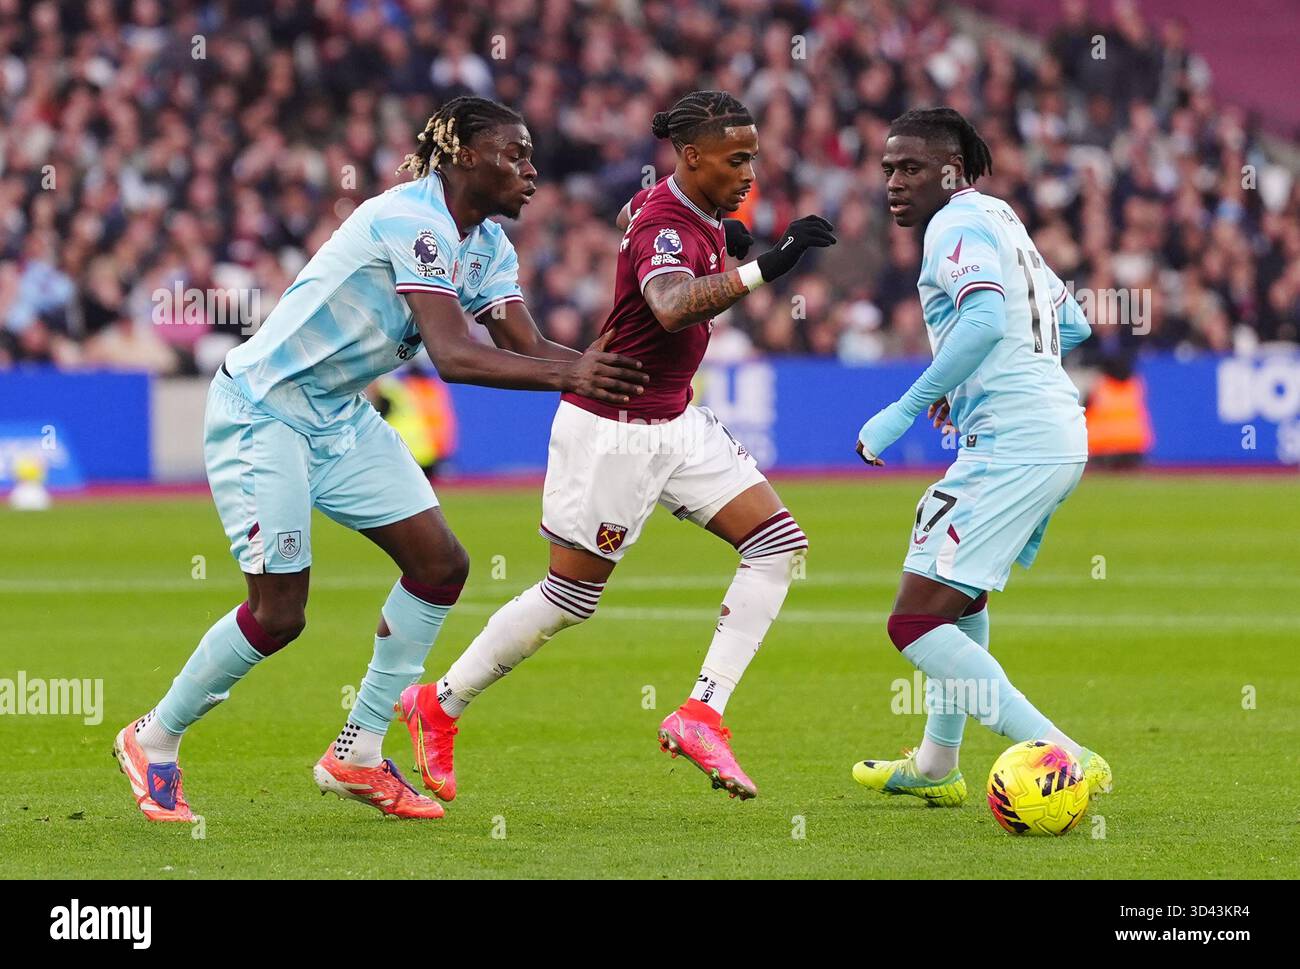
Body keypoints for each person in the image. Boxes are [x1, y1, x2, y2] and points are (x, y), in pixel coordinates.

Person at [113, 97, 648, 822]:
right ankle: (155, 736)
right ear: (463, 156)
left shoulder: (486, 242)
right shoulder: (413, 219)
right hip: (264, 412)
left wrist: (612, 376)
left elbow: (528, 346)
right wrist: (576, 376)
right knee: (278, 614)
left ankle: (357, 750)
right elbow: (455, 355)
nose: (531, 171)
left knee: (440, 565)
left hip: (336, 416)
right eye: (515, 155)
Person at [396, 90, 835, 801]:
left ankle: (701, 712)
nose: (751, 171)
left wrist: (724, 242)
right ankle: (437, 703)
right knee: (569, 598)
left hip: (675, 420)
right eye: (737, 158)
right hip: (613, 430)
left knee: (777, 544)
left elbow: (640, 223)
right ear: (691, 157)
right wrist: (764, 268)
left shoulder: (681, 211)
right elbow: (666, 302)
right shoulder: (666, 219)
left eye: (753, 155)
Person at [851, 107, 1112, 809]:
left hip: (1016, 437)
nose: (894, 183)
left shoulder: (954, 224)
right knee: (959, 594)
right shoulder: (1001, 218)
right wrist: (967, 384)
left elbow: (987, 317)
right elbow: (1072, 321)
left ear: (952, 171)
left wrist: (907, 406)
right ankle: (937, 762)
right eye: (887, 170)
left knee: (914, 621)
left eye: (910, 167)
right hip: (1049, 426)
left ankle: (1066, 754)